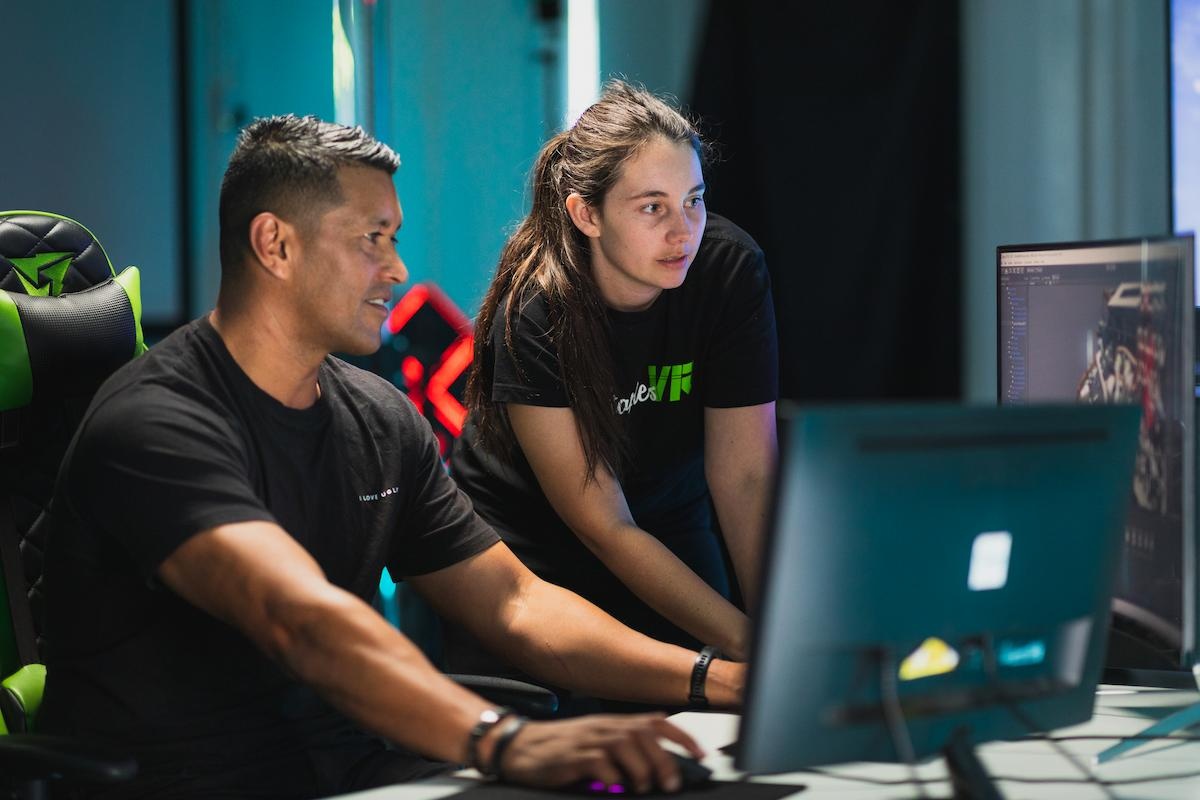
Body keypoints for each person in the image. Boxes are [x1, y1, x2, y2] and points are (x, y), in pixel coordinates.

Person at [37, 114, 744, 799]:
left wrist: (717, 677)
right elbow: (298, 618)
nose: (398, 268)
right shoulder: (155, 425)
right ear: (274, 245)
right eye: (372, 240)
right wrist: (507, 742)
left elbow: (515, 602)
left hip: (352, 770)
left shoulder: (378, 418)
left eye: (395, 238)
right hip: (190, 784)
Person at [448, 81, 778, 703]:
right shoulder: (536, 313)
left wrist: (779, 639)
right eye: (652, 207)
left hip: (671, 523)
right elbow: (605, 526)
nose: (684, 232)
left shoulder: (730, 272)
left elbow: (747, 478)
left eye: (694, 201)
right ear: (586, 214)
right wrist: (747, 645)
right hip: (533, 553)